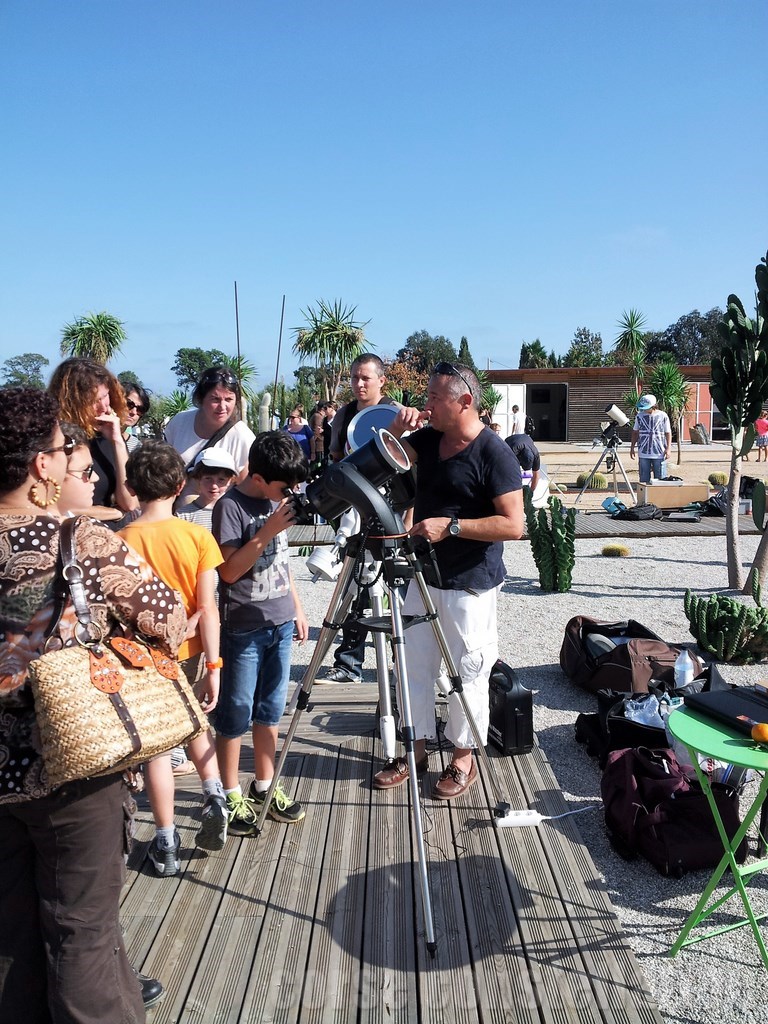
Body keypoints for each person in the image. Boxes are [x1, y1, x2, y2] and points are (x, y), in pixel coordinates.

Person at [0, 388, 187, 1022]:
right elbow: (171, 617)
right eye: (62, 449)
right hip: (75, 766)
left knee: (9, 936)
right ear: (39, 467)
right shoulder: (80, 539)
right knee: (83, 933)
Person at [373, 363, 523, 798]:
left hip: (470, 582)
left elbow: (514, 525)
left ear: (465, 401)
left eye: (436, 398)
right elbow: (389, 462)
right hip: (423, 575)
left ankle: (462, 758)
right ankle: (414, 750)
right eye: (428, 397)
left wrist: (452, 527)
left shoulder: (495, 453)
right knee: (414, 666)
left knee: (468, 670)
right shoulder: (429, 439)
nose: (428, 405)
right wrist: (398, 431)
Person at [121, 441, 228, 876]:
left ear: (130, 486)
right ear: (181, 486)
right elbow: (208, 608)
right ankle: (215, 792)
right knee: (195, 722)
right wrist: (215, 667)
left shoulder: (121, 540)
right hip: (188, 653)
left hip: (139, 658)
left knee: (158, 747)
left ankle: (165, 840)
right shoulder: (197, 536)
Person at [212, 431, 309, 832]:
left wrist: (298, 608)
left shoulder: (276, 501)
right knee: (235, 715)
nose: (293, 492)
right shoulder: (230, 507)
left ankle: (265, 787)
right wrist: (265, 531)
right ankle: (230, 794)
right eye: (286, 486)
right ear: (259, 477)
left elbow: (281, 562)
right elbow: (230, 571)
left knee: (270, 713)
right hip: (244, 628)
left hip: (280, 622)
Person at [321, 355, 399, 683]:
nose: (359, 384)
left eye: (365, 378)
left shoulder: (397, 415)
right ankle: (349, 664)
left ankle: (406, 665)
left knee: (399, 594)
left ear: (382, 380)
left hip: (394, 511)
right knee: (354, 589)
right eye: (354, 378)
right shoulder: (344, 417)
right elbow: (337, 463)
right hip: (358, 513)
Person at [49, 356, 140, 525]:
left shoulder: (107, 437)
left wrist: (117, 442)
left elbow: (130, 503)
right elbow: (57, 506)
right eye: (94, 401)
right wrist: (112, 512)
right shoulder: (59, 441)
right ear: (72, 403)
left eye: (105, 396)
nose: (104, 407)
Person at [164, 365, 255, 504]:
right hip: (178, 514)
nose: (222, 407)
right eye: (215, 399)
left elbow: (245, 487)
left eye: (229, 400)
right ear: (201, 399)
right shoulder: (179, 422)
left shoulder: (243, 436)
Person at [176, 446, 238, 531]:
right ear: (198, 478)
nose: (214, 486)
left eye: (221, 480)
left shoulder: (234, 513)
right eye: (208, 479)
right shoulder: (183, 515)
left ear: (230, 481)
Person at [630, 393, 671, 484]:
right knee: (644, 480)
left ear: (653, 406)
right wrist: (632, 447)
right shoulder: (639, 416)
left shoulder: (663, 416)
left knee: (661, 480)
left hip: (659, 452)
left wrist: (668, 448)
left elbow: (667, 432)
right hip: (643, 453)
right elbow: (635, 432)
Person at [122, 380, 150, 453]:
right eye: (129, 404)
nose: (134, 412)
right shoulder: (92, 439)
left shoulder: (137, 447)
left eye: (140, 409)